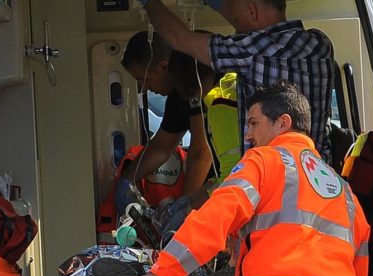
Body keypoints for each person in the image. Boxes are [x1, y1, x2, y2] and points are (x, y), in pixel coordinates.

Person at [129, 81, 370, 276]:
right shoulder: (344, 191)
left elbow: (214, 217)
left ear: (283, 122)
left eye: (254, 123)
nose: (248, 135)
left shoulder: (263, 161)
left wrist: (160, 274)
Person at [132, 0, 335, 165]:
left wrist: (149, 3)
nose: (237, 32)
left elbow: (180, 39)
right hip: (317, 180)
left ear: (252, 11)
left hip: (273, 187)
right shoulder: (321, 43)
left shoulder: (253, 50)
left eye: (236, 22)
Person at [115, 30, 213, 214]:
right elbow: (161, 147)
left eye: (145, 80)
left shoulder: (200, 86)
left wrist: (185, 209)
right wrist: (126, 181)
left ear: (163, 67)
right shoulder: (178, 98)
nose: (144, 88)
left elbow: (201, 152)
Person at [155, 50, 240, 234]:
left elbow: (233, 177)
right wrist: (189, 200)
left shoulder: (221, 106)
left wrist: (190, 207)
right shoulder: (233, 86)